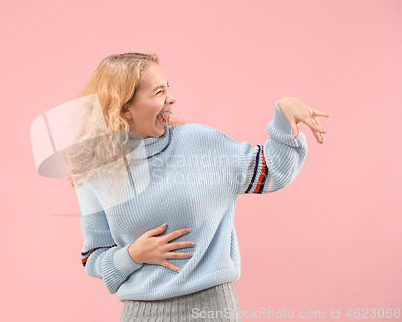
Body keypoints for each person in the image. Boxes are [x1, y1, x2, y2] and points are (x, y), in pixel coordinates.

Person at [66, 52, 329, 322]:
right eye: (158, 92)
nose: (171, 98)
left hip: (213, 310)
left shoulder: (200, 144)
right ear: (124, 109)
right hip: (141, 314)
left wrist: (285, 119)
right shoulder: (96, 172)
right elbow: (94, 257)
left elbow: (271, 170)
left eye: (168, 87)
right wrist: (133, 255)